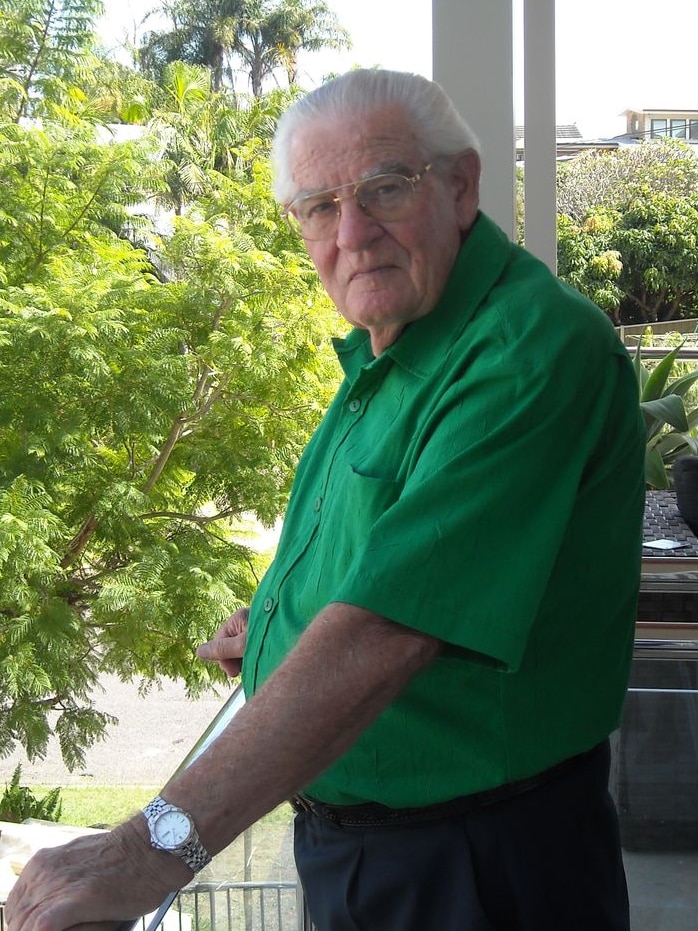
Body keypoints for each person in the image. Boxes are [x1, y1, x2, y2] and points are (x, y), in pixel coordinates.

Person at [6, 69, 645, 931]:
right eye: (318, 206)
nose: (354, 233)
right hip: (367, 848)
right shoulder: (397, 344)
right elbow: (384, 565)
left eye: (385, 188)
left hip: (476, 866)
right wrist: (273, 624)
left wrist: (144, 855)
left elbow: (385, 630)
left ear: (461, 187)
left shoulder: (529, 351)